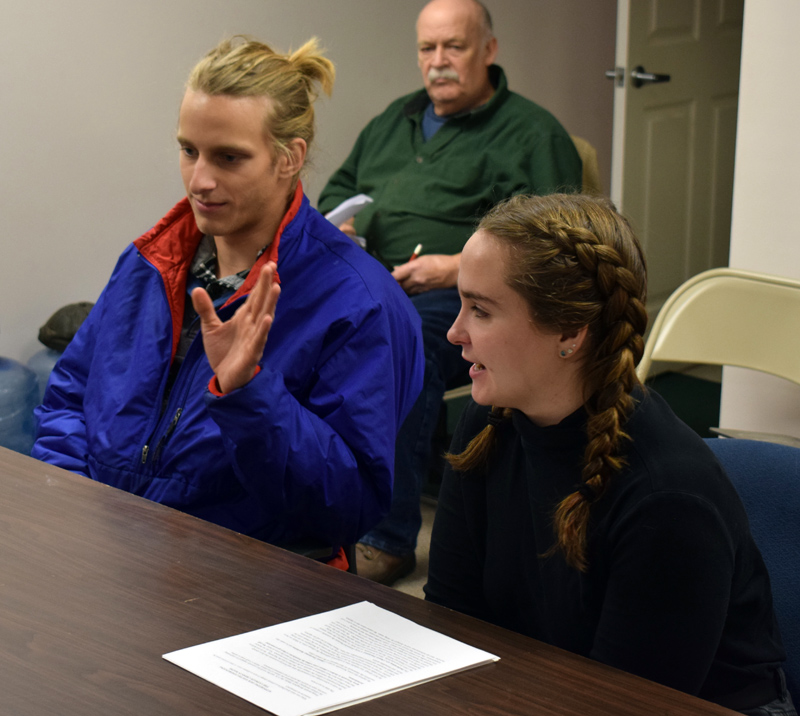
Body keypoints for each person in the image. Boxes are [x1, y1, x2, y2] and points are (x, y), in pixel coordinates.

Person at [32, 37, 425, 570]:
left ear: (290, 158)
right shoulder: (149, 263)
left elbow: (345, 507)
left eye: (229, 158)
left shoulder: (360, 303)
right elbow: (70, 397)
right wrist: (75, 511)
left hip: (244, 583)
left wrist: (249, 395)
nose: (200, 180)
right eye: (189, 150)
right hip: (111, 560)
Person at [424, 193, 795, 715]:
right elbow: (449, 619)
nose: (454, 332)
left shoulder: (669, 498)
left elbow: (626, 703)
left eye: (481, 311)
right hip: (544, 688)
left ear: (571, 333)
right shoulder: (490, 419)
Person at [318, 0, 582, 583]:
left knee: (399, 340)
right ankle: (313, 511)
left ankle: (386, 536)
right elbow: (336, 189)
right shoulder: (395, 119)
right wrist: (339, 228)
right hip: (371, 281)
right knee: (286, 323)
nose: (438, 62)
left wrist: (453, 266)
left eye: (453, 47)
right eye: (427, 49)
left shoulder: (532, 132)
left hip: (465, 297)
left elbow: (557, 242)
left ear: (488, 51)